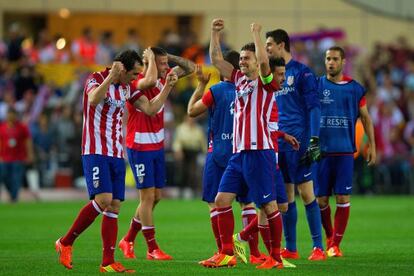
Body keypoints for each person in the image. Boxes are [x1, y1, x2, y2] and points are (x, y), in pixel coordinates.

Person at [55, 49, 178, 273]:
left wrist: (168, 86)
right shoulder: (96, 79)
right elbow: (93, 99)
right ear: (121, 69)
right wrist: (111, 76)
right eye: (133, 74)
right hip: (95, 150)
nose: (135, 79)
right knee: (103, 200)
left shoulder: (127, 87)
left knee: (114, 205)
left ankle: (108, 262)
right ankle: (65, 242)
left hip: (116, 152)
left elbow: (150, 109)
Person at [202, 19, 283, 270]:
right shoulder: (238, 80)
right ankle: (227, 253)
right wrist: (215, 34)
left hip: (260, 152)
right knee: (222, 199)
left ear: (256, 62)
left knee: (268, 205)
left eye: (247, 59)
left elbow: (264, 63)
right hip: (239, 154)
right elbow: (216, 59)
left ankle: (276, 257)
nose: (242, 62)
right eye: (241, 59)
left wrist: (256, 34)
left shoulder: (265, 81)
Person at [187, 53, 267, 265]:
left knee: (216, 204)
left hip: (218, 153)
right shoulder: (251, 88)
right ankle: (256, 253)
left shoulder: (216, 90)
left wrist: (200, 86)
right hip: (242, 151)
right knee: (247, 203)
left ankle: (224, 250)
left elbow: (191, 111)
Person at [118, 47, 194, 261]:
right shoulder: (137, 82)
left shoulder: (164, 75)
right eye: (161, 64)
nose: (167, 68)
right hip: (139, 146)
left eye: (166, 63)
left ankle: (128, 239)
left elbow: (190, 67)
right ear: (149, 63)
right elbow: (150, 94)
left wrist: (167, 57)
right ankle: (152, 248)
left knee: (156, 197)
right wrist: (152, 60)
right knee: (148, 197)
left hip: (156, 145)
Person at [265, 29, 325, 260]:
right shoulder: (270, 74)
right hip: (279, 143)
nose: (267, 48)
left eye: (269, 44)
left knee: (307, 192)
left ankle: (318, 247)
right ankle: (291, 248)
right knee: (286, 196)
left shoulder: (302, 73)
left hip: (300, 142)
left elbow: (314, 107)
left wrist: (314, 140)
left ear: (281, 45)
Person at [233, 58, 299, 266]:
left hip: (273, 158)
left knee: (282, 206)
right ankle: (274, 255)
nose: (282, 79)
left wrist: (282, 135)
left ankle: (243, 237)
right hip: (265, 157)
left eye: (283, 75)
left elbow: (270, 129)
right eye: (279, 75)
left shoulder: (270, 101)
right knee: (269, 206)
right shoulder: (264, 93)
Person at [315, 46, 376, 257]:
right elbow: (308, 115)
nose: (330, 62)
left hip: (344, 153)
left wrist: (372, 147)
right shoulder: (317, 85)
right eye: (328, 59)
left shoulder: (355, 89)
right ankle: (330, 238)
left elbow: (367, 119)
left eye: (334, 59)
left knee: (342, 198)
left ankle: (335, 245)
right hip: (321, 153)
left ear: (343, 62)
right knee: (321, 200)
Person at [0, 107, 34, 202]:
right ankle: (11, 193)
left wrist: (30, 154)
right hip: (5, 158)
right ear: (6, 115)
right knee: (4, 176)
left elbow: (28, 141)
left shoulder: (22, 127)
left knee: (16, 179)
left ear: (15, 115)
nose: (11, 116)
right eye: (9, 114)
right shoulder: (2, 127)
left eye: (12, 114)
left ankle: (13, 198)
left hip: (18, 158)